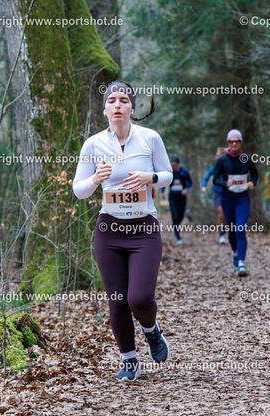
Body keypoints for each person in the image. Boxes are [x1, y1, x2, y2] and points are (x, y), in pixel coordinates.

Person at [73, 81, 172, 381]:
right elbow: (78, 190)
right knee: (117, 301)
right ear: (104, 110)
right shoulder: (93, 144)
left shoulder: (150, 138)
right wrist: (95, 180)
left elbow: (167, 175)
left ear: (132, 107)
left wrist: (150, 177)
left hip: (144, 229)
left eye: (123, 100)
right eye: (111, 100)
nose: (117, 105)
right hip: (110, 231)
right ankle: (129, 360)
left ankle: (151, 331)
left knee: (139, 298)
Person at [213, 129, 258, 277]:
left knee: (240, 229)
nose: (234, 144)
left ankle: (241, 263)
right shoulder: (222, 160)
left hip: (242, 199)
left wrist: (252, 183)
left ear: (240, 142)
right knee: (232, 231)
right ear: (228, 143)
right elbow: (215, 179)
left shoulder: (247, 158)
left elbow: (255, 174)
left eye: (236, 141)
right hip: (227, 199)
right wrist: (225, 183)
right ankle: (234, 252)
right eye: (231, 141)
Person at [161, 156, 192, 245]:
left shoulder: (184, 172)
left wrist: (186, 189)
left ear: (178, 164)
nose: (173, 166)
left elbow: (190, 182)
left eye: (175, 164)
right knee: (175, 216)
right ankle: (178, 236)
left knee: (180, 216)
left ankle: (175, 227)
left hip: (182, 197)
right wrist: (163, 192)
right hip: (172, 197)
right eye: (172, 164)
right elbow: (164, 182)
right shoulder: (169, 172)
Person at [201, 147, 228, 244]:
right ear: (215, 157)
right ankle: (221, 235)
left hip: (228, 193)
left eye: (220, 156)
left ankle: (226, 232)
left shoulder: (227, 167)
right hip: (217, 193)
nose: (218, 157)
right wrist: (203, 187)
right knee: (221, 213)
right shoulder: (213, 169)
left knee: (226, 215)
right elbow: (206, 178)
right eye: (217, 156)